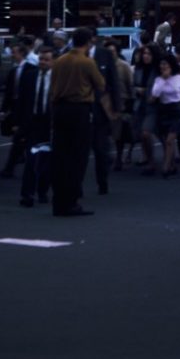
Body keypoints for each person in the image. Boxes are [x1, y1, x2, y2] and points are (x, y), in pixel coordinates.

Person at [48, 27, 111, 217]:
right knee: (77, 157)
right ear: (89, 41)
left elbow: (53, 86)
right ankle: (71, 201)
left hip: (59, 108)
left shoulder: (59, 61)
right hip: (79, 109)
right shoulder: (87, 62)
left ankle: (58, 201)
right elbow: (100, 84)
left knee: (60, 156)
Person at [19, 47, 54, 208]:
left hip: (50, 123)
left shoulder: (57, 78)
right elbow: (22, 100)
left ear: (53, 61)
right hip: (33, 122)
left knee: (47, 160)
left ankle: (42, 190)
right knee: (31, 159)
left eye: (46, 59)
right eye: (41, 59)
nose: (42, 62)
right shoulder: (29, 76)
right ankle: (27, 194)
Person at [0, 40, 36, 179]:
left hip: (24, 108)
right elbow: (8, 91)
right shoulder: (13, 70)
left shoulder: (31, 69)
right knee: (19, 137)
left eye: (14, 52)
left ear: (22, 53)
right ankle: (18, 161)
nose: (12, 55)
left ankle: (10, 167)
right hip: (15, 106)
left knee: (19, 137)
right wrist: (4, 109)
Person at [149, 54, 180, 177]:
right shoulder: (158, 80)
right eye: (161, 64)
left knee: (170, 140)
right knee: (165, 140)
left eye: (165, 64)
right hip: (164, 110)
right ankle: (172, 164)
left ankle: (166, 167)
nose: (163, 66)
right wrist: (163, 79)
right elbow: (154, 95)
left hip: (177, 110)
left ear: (171, 65)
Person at [88, 33, 120, 195]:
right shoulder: (76, 56)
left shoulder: (104, 54)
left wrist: (116, 107)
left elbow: (113, 81)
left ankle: (103, 182)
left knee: (101, 149)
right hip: (82, 109)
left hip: (101, 108)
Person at [131, 43, 161, 170]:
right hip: (139, 104)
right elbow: (132, 85)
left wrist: (147, 92)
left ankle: (152, 161)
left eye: (148, 53)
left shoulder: (158, 69)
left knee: (146, 132)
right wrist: (137, 90)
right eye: (144, 53)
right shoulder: (139, 69)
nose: (145, 56)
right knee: (140, 134)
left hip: (153, 105)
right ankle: (147, 158)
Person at [106, 40, 135, 170]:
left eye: (113, 51)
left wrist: (131, 102)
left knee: (119, 134)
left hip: (121, 102)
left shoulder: (123, 66)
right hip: (106, 102)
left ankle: (119, 157)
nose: (111, 54)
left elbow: (130, 84)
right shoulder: (102, 66)